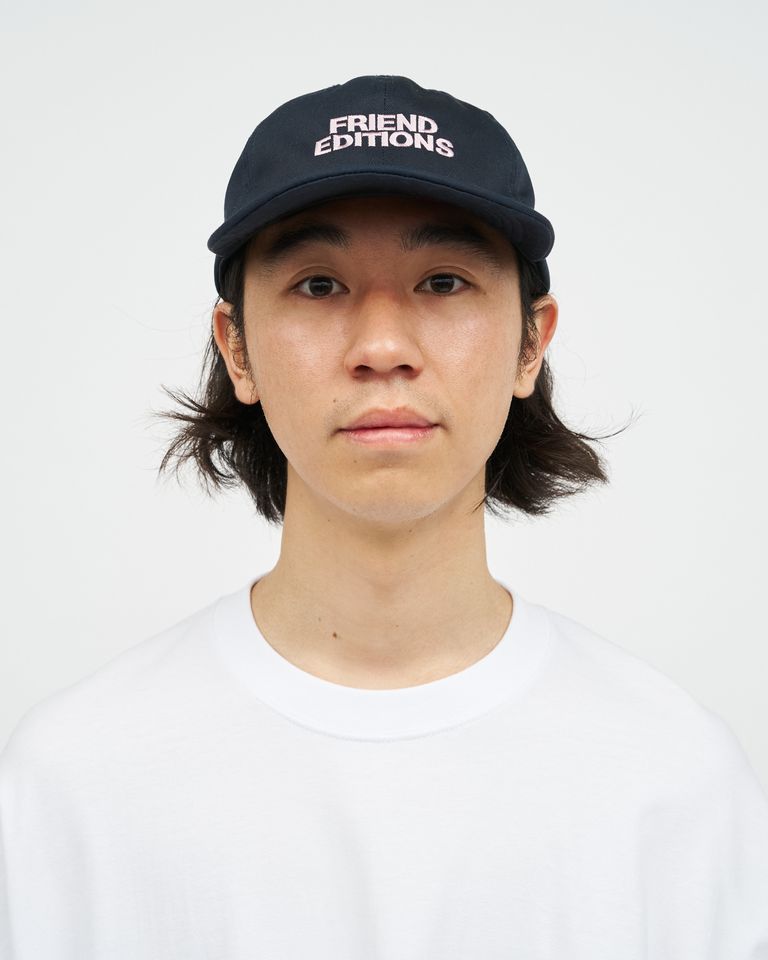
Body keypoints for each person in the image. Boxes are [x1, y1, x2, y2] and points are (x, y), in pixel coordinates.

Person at [1, 74, 767, 959]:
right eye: (319, 285)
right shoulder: (71, 788)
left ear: (531, 342)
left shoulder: (676, 784)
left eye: (443, 281)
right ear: (236, 348)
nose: (382, 347)